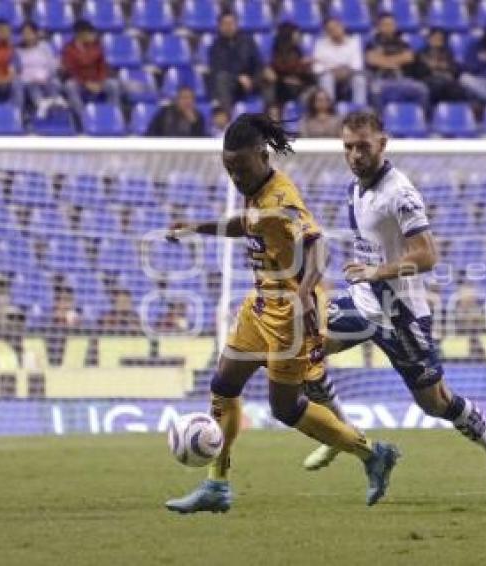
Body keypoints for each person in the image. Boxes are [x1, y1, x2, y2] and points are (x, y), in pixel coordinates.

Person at [163, 113, 399, 513]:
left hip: (290, 316)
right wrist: (198, 227)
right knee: (222, 386)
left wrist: (305, 293)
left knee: (285, 409)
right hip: (259, 307)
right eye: (228, 169)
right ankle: (216, 486)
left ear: (262, 155)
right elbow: (248, 224)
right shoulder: (255, 189)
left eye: (240, 167)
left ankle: (373, 453)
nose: (235, 176)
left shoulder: (282, 197)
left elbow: (317, 244)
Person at [300, 111, 486, 502]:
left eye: (363, 147)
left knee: (435, 402)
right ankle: (344, 434)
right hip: (364, 299)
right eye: (348, 147)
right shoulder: (356, 188)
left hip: (399, 311)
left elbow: (427, 255)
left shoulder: (399, 193)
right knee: (303, 346)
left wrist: (377, 270)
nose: (355, 155)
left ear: (382, 144)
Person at [365, 13, 429, 110]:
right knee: (375, 91)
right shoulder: (372, 42)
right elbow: (372, 60)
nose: (389, 27)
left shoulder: (402, 42)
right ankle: (379, 122)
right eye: (385, 25)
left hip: (402, 79)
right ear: (379, 27)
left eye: (391, 24)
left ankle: (421, 120)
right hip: (380, 79)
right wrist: (397, 60)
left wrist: (384, 60)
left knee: (422, 89)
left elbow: (409, 57)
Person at [61, 19, 120, 122]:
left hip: (97, 81)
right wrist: (85, 83)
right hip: (80, 82)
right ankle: (84, 118)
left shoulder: (97, 46)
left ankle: (112, 116)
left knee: (113, 85)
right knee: (69, 86)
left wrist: (100, 82)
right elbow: (71, 70)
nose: (93, 35)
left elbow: (102, 67)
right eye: (89, 33)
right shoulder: (68, 49)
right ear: (80, 34)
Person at [208, 11, 262, 112]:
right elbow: (217, 69)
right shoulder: (215, 47)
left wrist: (252, 80)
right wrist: (238, 77)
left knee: (269, 77)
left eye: (231, 23)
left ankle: (271, 121)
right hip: (229, 84)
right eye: (225, 24)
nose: (228, 27)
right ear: (220, 26)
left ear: (237, 25)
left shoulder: (248, 42)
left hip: (250, 84)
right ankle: (227, 120)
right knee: (221, 79)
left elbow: (258, 64)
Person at [313, 17, 367, 106]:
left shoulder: (354, 42)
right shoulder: (320, 44)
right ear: (327, 32)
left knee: (360, 79)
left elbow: (357, 65)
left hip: (350, 75)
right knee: (326, 78)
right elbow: (317, 68)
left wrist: (345, 70)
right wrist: (333, 71)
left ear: (342, 26)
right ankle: (330, 109)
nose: (335, 31)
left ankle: (359, 110)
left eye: (336, 27)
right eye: (330, 29)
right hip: (330, 75)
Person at [264, 21, 315, 106]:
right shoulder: (277, 52)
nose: (299, 35)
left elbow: (303, 74)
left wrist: (305, 68)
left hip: (299, 86)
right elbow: (277, 71)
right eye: (297, 33)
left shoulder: (297, 50)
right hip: (282, 88)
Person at [413, 28, 465, 106]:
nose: (437, 41)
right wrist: (431, 68)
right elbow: (418, 72)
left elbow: (456, 69)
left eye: (440, 39)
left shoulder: (447, 53)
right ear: (429, 39)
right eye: (435, 38)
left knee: (458, 87)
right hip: (429, 80)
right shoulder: (421, 54)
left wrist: (441, 66)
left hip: (447, 79)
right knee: (442, 85)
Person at [16, 21, 58, 115]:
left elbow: (52, 66)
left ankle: (55, 102)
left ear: (35, 34)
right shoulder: (18, 51)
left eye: (29, 33)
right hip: (28, 81)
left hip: (45, 79)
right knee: (32, 86)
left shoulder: (45, 47)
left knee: (54, 82)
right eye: (24, 33)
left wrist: (45, 77)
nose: (26, 36)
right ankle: (40, 103)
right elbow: (18, 71)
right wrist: (32, 79)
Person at [0, 19, 22, 106]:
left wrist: (3, 80)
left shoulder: (11, 50)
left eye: (7, 31)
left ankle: (17, 115)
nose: (5, 34)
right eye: (1, 31)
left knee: (17, 83)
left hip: (5, 84)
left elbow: (13, 72)